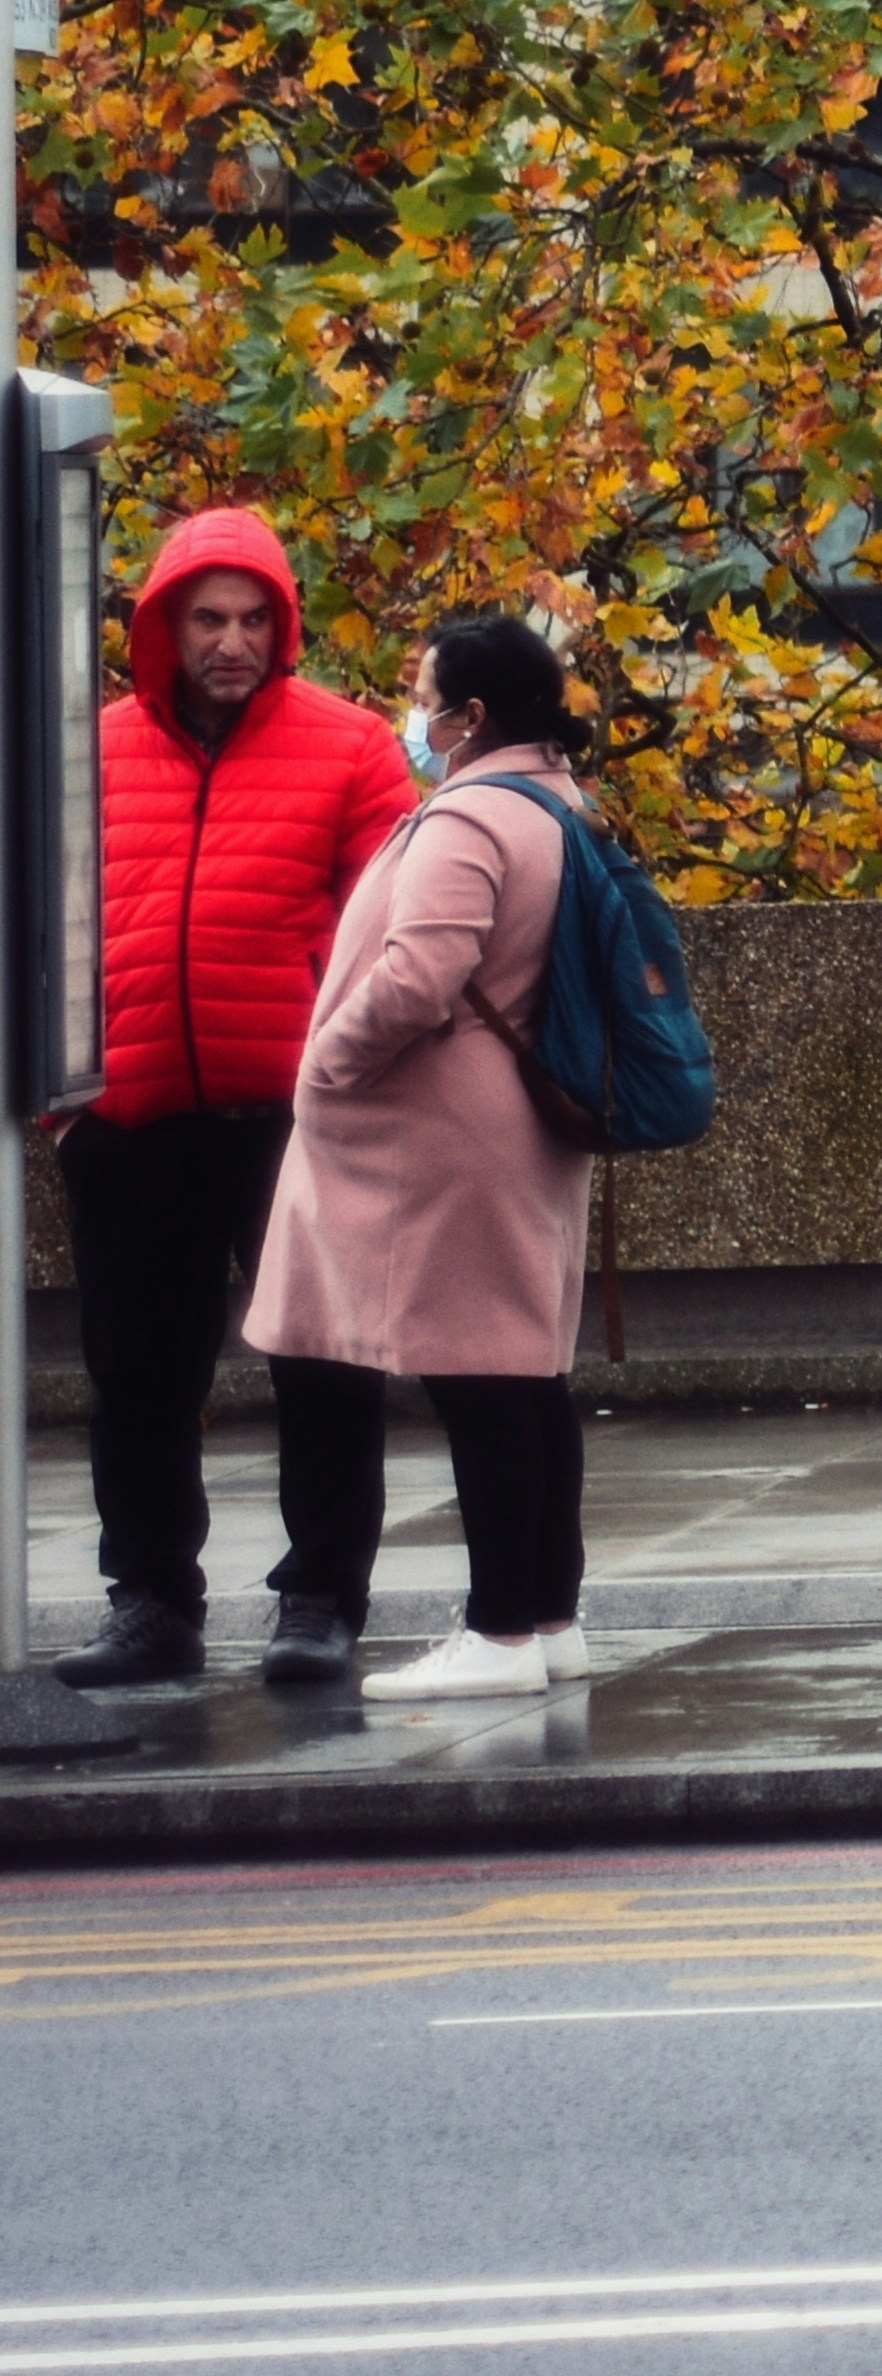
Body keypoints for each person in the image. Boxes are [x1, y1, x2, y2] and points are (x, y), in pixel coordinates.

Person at [48, 510, 418, 1692]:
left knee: (324, 1361)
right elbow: (44, 923)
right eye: (209, 617)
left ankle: (321, 1596)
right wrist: (69, 1097)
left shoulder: (353, 747)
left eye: (256, 618)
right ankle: (152, 1597)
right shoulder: (85, 750)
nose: (233, 641)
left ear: (284, 625)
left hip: (303, 1121)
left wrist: (355, 1083)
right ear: (163, 625)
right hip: (134, 1118)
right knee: (138, 1376)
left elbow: (397, 929)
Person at [238, 613, 600, 1703]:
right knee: (528, 1374)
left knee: (478, 1379)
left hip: (446, 1132)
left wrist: (325, 1064)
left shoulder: (469, 816)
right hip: (514, 1120)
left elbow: (417, 974)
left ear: (470, 716)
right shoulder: (555, 801)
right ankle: (547, 1615)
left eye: (424, 690)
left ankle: (496, 1633)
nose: (415, 710)